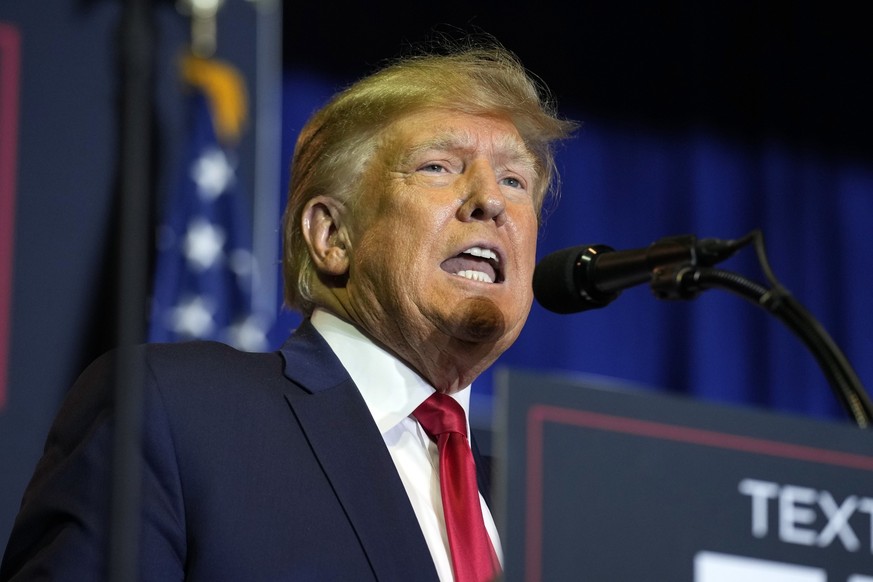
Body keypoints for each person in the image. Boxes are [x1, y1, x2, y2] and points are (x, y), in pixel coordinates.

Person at [0, 36, 576, 581]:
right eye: (438, 167)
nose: (492, 201)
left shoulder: (537, 507)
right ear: (332, 236)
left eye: (514, 179)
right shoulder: (180, 413)